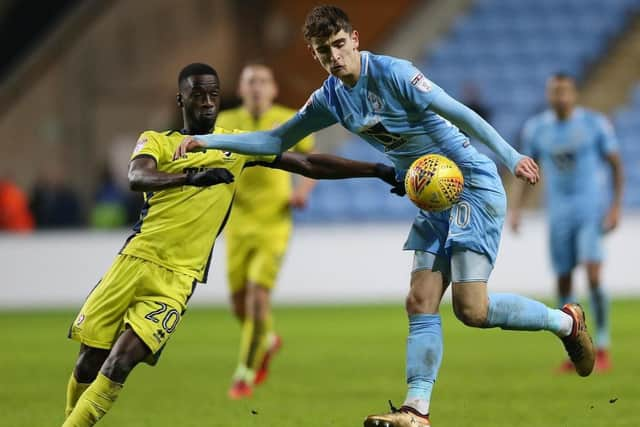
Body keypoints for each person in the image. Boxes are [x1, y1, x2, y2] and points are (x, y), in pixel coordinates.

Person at [174, 7, 596, 427]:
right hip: (431, 197)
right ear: (315, 55)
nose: (335, 57)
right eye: (324, 52)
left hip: (469, 184)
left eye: (339, 45)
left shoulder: (395, 74)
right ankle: (417, 411)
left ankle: (565, 322)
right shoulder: (330, 98)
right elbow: (275, 139)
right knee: (419, 301)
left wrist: (511, 155)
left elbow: (458, 112)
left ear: (355, 39)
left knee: (473, 310)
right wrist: (207, 141)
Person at [61, 62, 403, 427]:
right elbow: (137, 176)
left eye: (213, 94)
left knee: (120, 363)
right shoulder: (158, 140)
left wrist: (375, 170)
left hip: (178, 279)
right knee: (89, 361)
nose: (208, 102)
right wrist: (191, 177)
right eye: (198, 95)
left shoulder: (236, 144)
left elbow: (306, 162)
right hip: (134, 262)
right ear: (182, 99)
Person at [511, 73, 623, 373]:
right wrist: (516, 209)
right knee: (563, 280)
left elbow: (615, 164)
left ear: (574, 94)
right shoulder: (537, 129)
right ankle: (576, 349)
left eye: (564, 91)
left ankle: (602, 345)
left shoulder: (594, 124)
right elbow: (525, 169)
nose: (559, 97)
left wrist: (614, 206)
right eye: (554, 92)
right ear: (549, 95)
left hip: (590, 211)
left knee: (594, 274)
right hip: (558, 214)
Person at [216, 64, 317, 398]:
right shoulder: (225, 121)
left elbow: (312, 160)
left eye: (262, 82)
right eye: (250, 82)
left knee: (259, 298)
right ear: (241, 90)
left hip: (274, 221)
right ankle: (269, 339)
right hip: (238, 223)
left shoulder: (290, 118)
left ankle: (244, 372)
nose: (257, 87)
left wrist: (302, 192)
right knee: (239, 307)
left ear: (273, 89)